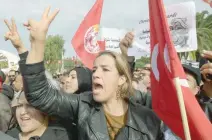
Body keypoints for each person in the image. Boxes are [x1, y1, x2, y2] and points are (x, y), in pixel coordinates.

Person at [15, 7, 163, 140]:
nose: (96, 74)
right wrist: (38, 42)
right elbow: (39, 95)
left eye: (105, 69)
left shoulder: (148, 119)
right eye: (94, 70)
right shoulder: (83, 105)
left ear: (122, 79)